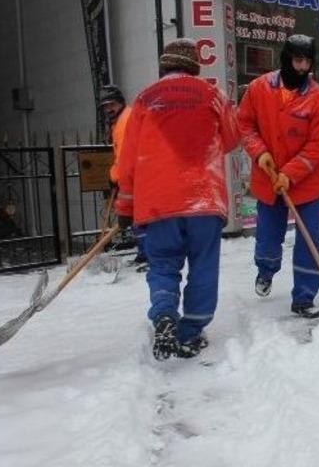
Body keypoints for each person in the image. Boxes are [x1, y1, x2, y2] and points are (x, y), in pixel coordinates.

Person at [115, 38, 239, 360]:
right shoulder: (214, 96)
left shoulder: (143, 100)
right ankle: (190, 332)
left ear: (164, 66)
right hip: (203, 199)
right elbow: (231, 138)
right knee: (203, 265)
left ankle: (165, 314)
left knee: (163, 264)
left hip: (158, 202)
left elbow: (127, 161)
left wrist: (125, 207)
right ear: (195, 66)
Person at [237, 34, 319, 319]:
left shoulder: (318, 100)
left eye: (307, 61)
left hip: (305, 183)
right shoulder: (258, 88)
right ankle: (266, 270)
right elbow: (244, 124)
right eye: (297, 60)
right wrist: (260, 153)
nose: (302, 67)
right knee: (268, 237)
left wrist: (290, 174)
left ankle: (304, 296)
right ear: (286, 59)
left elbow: (317, 147)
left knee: (309, 240)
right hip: (268, 178)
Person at [100, 84, 147, 268]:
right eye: (105, 106)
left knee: (138, 217)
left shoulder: (125, 122)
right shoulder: (122, 119)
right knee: (138, 217)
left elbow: (125, 156)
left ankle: (146, 255)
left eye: (112, 104)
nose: (109, 109)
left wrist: (115, 177)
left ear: (120, 102)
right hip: (134, 174)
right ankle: (144, 253)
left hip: (135, 176)